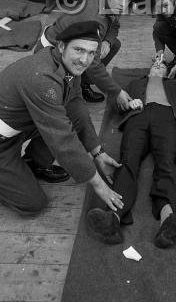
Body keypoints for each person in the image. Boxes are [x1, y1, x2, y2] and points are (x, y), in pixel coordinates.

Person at [0, 21, 141, 217]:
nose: (85, 60)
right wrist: (98, 185)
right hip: (4, 141)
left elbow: (76, 106)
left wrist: (97, 153)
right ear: (61, 46)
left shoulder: (65, 64)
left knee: (65, 116)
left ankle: (34, 162)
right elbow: (61, 138)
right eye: (79, 50)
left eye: (91, 53)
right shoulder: (42, 78)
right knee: (33, 203)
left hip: (19, 127)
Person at [86, 59, 176, 247]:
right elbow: (116, 102)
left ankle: (167, 221)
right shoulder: (135, 83)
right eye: (155, 64)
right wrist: (128, 104)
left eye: (162, 66)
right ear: (149, 69)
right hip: (138, 115)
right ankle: (113, 219)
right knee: (127, 161)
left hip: (166, 117)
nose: (158, 65)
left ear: (168, 73)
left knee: (167, 163)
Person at [35, 0, 135, 105]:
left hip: (74, 41)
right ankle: (71, 85)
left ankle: (83, 83)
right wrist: (117, 92)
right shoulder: (94, 19)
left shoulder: (109, 2)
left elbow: (114, 25)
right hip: (52, 50)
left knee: (114, 44)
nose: (123, 4)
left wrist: (107, 41)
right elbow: (94, 66)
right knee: (63, 99)